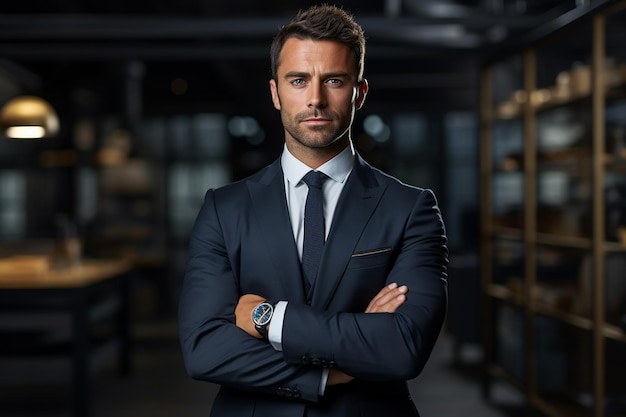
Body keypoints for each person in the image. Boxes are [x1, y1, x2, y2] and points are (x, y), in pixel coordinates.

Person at [178, 4, 448, 417]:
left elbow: (402, 348)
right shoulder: (224, 208)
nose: (316, 99)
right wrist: (330, 373)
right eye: (299, 80)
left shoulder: (411, 208)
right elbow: (204, 349)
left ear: (359, 92)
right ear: (275, 93)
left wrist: (269, 319)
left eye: (334, 80)